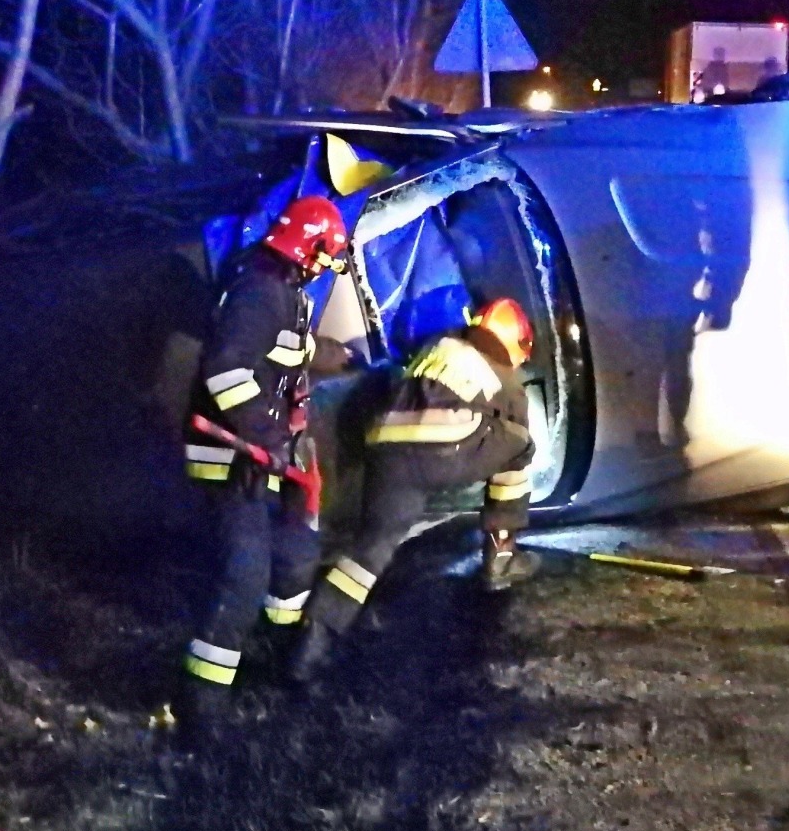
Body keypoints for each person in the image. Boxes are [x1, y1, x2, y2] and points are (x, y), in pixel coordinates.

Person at [288, 297, 539, 683]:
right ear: (514, 344)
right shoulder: (505, 378)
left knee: (370, 551)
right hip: (446, 448)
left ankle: (312, 644)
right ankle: (501, 557)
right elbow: (509, 431)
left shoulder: (437, 349)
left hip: (389, 450)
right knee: (520, 443)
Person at [179, 195, 349, 737]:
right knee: (244, 577)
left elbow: (286, 360)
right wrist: (264, 435)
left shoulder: (287, 293)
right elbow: (226, 372)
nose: (325, 265)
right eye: (325, 254)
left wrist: (334, 359)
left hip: (264, 455)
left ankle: (279, 662)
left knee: (297, 555)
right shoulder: (258, 291)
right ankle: (201, 708)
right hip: (230, 460)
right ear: (307, 243)